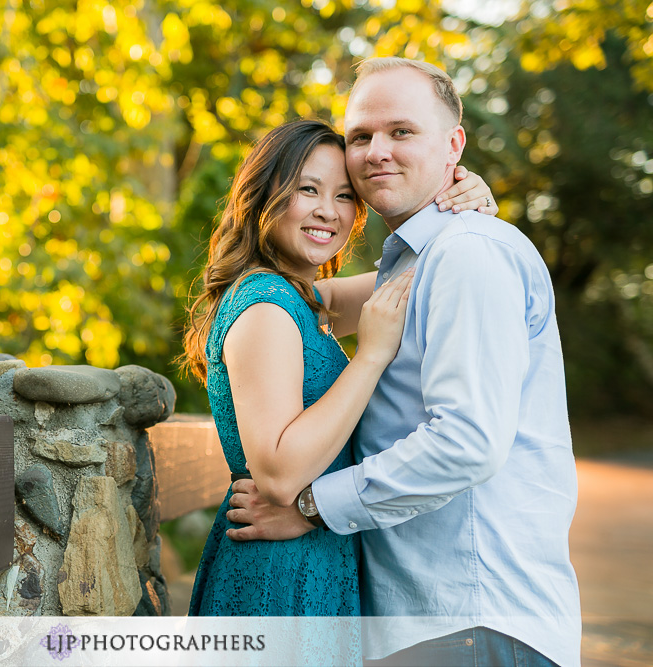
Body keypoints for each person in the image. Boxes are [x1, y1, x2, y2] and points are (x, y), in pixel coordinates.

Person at [227, 58, 580, 667]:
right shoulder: (416, 260)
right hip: (432, 625)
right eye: (361, 136)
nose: (377, 152)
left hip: (471, 618)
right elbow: (305, 301)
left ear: (454, 146)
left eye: (402, 131)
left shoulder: (466, 254)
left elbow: (469, 441)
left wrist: (312, 507)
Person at [179, 117, 497, 661]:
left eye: (345, 195)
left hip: (313, 559)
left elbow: (421, 276)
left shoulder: (301, 300)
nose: (329, 209)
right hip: (278, 577)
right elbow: (277, 472)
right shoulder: (263, 307)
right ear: (263, 196)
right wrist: (370, 356)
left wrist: (464, 209)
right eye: (308, 189)